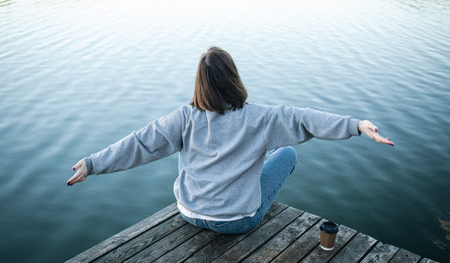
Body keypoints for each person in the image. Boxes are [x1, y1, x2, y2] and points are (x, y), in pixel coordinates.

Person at [67, 46, 394, 234]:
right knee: (287, 154)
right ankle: (245, 198)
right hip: (237, 221)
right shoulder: (260, 118)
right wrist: (356, 125)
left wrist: (93, 164)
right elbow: (305, 118)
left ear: (201, 84)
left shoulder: (184, 117)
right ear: (233, 78)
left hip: (190, 212)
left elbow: (140, 142)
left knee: (258, 156)